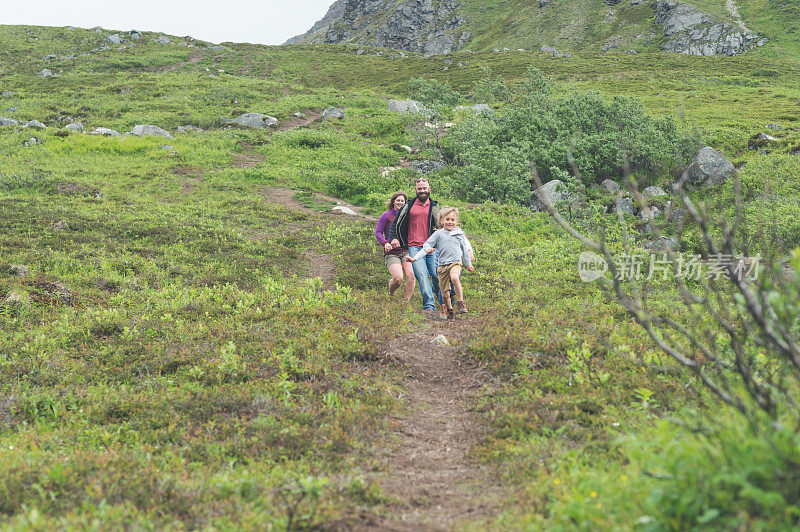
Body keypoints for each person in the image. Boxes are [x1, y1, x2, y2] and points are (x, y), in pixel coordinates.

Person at [387, 178, 443, 315]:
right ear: (415, 190)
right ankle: (429, 306)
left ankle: (443, 301)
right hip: (414, 247)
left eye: (424, 188)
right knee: (422, 276)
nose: (422, 191)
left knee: (436, 275)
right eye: (419, 189)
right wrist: (394, 237)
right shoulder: (409, 206)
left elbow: (443, 226)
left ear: (429, 189)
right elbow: (395, 224)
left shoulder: (435, 207)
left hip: (431, 247)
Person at [406, 207, 473, 319]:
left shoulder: (459, 234)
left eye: (452, 220)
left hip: (455, 263)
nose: (450, 222)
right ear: (441, 221)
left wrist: (468, 264)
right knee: (445, 293)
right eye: (447, 219)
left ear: (457, 222)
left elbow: (465, 250)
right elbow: (426, 245)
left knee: (455, 278)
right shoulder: (438, 234)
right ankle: (449, 309)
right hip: (442, 266)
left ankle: (461, 303)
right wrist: (415, 258)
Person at [374, 191, 415, 301]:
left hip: (407, 251)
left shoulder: (408, 215)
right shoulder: (386, 215)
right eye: (398, 200)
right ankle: (391, 293)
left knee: (411, 276)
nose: (400, 202)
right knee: (398, 278)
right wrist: (385, 243)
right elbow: (378, 232)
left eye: (402, 201)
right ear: (393, 202)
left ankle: (406, 302)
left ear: (405, 203)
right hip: (392, 253)